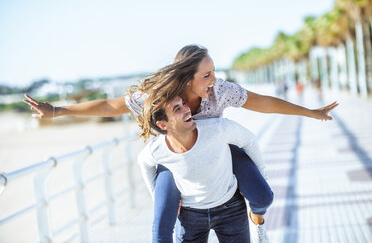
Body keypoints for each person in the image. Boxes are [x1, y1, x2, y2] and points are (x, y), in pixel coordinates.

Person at [23, 44, 338, 243]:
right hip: (175, 162)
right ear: (188, 77)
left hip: (220, 152)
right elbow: (109, 106)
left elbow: (263, 103)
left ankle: (258, 221)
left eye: (214, 72)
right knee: (161, 230)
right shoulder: (157, 98)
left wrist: (309, 112)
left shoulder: (220, 91)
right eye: (207, 74)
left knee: (262, 195)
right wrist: (57, 111)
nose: (214, 79)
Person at [137, 94, 267, 242]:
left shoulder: (217, 128)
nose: (187, 109)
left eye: (183, 103)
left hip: (230, 208)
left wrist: (262, 178)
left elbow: (249, 140)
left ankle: (258, 222)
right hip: (190, 216)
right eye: (177, 108)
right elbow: (143, 163)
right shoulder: (157, 150)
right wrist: (158, 198)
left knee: (265, 198)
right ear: (163, 125)